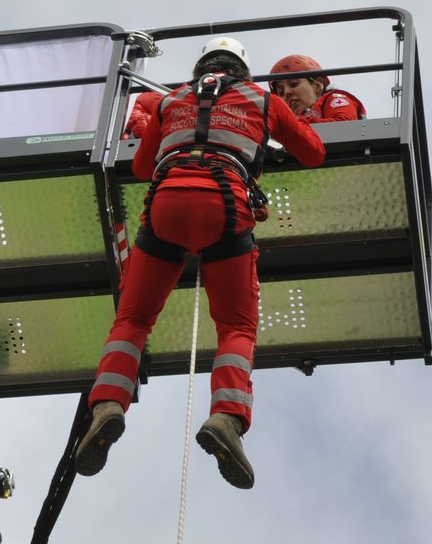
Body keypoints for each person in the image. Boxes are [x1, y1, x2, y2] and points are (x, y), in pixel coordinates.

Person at [75, 37, 326, 489]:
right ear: (243, 71)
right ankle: (227, 418)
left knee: (131, 319)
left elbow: (141, 167)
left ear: (200, 68)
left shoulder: (172, 99)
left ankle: (107, 404)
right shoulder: (261, 98)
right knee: (236, 327)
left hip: (165, 205)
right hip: (225, 205)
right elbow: (313, 152)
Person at [268, 53, 366, 123]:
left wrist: (298, 122)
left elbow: (344, 125)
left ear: (317, 85)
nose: (287, 92)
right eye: (281, 92)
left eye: (294, 84)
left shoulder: (334, 98)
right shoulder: (284, 124)